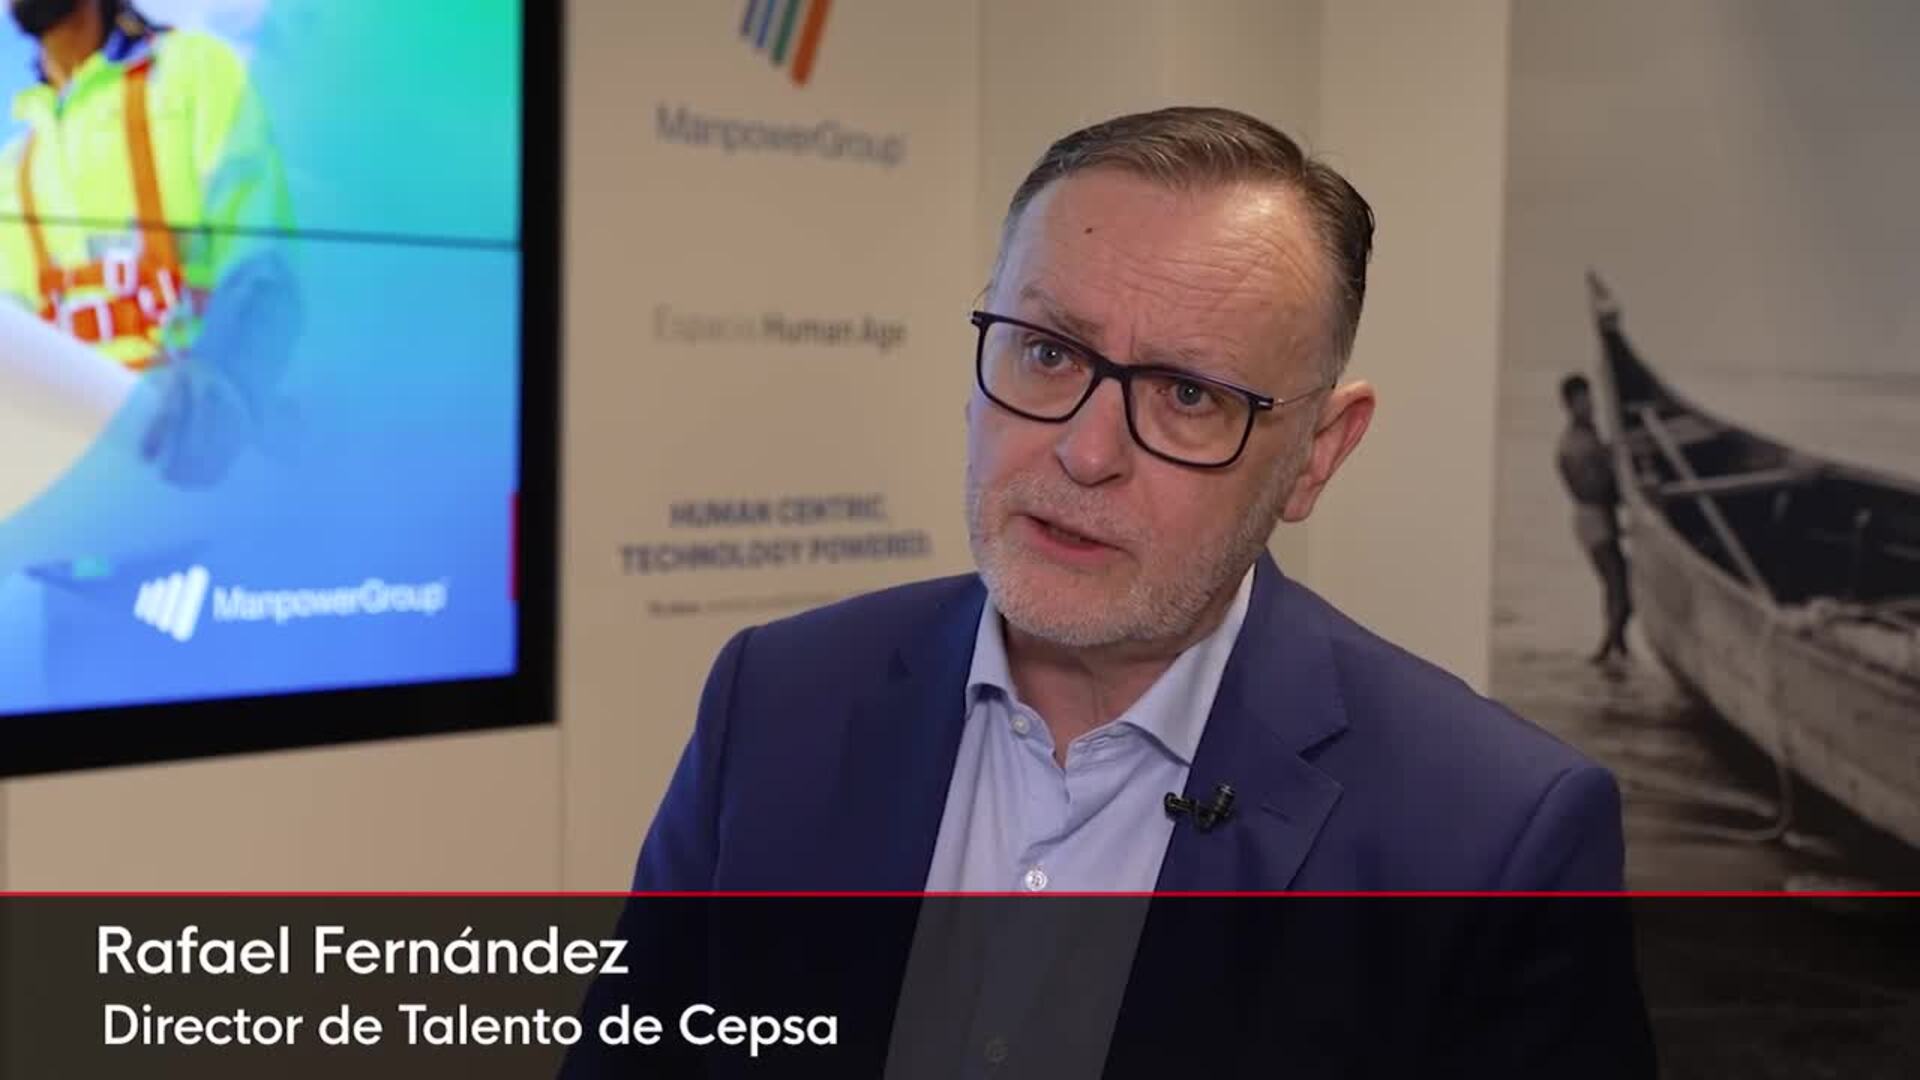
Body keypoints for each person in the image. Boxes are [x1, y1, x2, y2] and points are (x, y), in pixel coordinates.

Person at [578, 108, 1650, 1077]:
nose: (1086, 453)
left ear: (1318, 454)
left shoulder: (1493, 840)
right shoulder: (778, 698)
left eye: (1188, 393)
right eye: (1048, 353)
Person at [0, 0, 298, 487]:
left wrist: (224, 386)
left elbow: (262, 261)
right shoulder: (16, 170)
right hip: (84, 479)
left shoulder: (193, 74)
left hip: (198, 472)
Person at [1558, 372, 1632, 664]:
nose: (1590, 405)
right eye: (1582, 401)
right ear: (1569, 405)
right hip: (1593, 521)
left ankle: (1618, 647)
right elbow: (1592, 489)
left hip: (1598, 518)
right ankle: (1606, 651)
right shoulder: (1574, 444)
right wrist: (1621, 476)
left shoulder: (1588, 434)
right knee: (1619, 586)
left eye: (1589, 399)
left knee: (1617, 585)